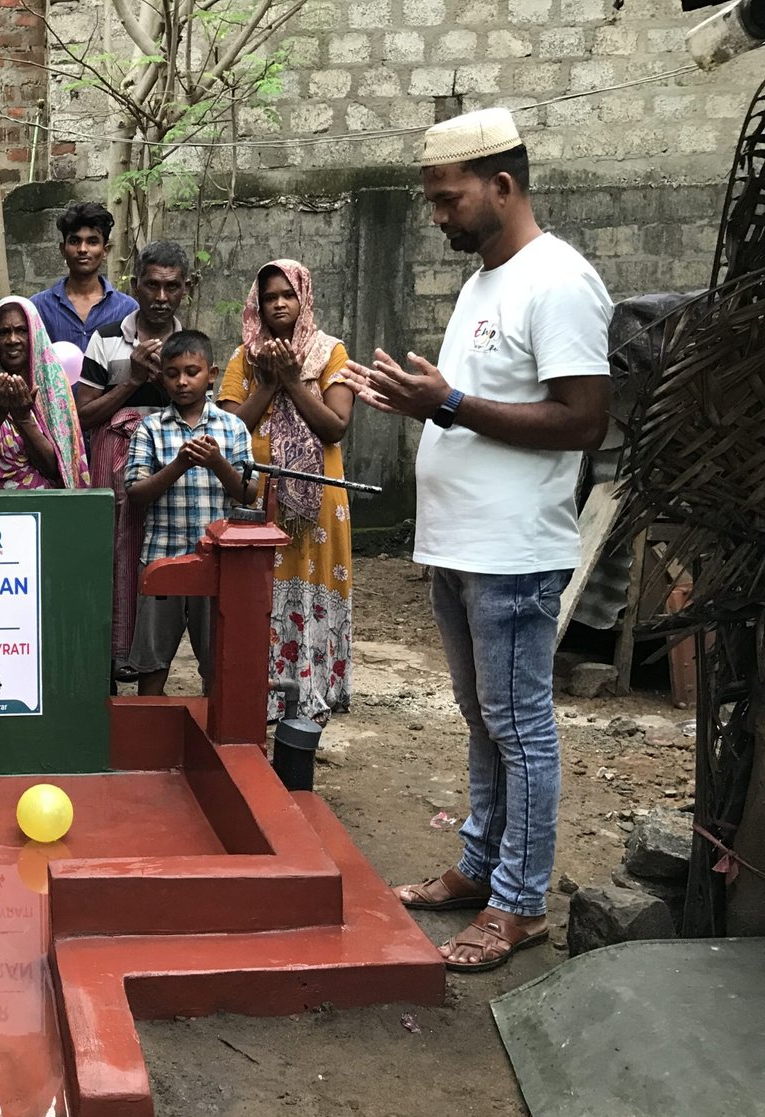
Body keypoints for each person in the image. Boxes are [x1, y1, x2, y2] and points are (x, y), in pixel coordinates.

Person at [341, 108, 611, 972]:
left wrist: (449, 404)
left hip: (513, 556)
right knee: (483, 721)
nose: (437, 217)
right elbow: (472, 407)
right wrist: (420, 401)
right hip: (458, 551)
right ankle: (480, 866)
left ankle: (520, 904)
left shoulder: (558, 281)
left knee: (520, 729)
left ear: (501, 185)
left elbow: (583, 421)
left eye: (448, 199)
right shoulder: (483, 283)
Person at [217, 260, 356, 725]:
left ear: (304, 298)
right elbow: (231, 429)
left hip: (319, 503)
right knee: (260, 591)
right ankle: (260, 696)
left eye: (287, 295)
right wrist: (269, 383)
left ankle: (313, 693)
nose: (278, 304)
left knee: (311, 584)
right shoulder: (244, 358)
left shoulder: (330, 352)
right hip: (256, 496)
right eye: (269, 297)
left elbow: (334, 427)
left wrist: (293, 382)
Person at [74, 240, 192, 682]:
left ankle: (149, 675)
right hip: (110, 467)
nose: (161, 297)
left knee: (157, 564)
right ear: (135, 285)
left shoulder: (190, 346)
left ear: (185, 289)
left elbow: (196, 414)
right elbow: (83, 416)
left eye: (171, 287)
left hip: (169, 470)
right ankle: (106, 669)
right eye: (152, 285)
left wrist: (164, 380)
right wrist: (132, 381)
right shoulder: (105, 339)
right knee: (112, 562)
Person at [124, 330, 258, 695]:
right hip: (162, 558)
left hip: (217, 563)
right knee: (153, 662)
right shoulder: (150, 428)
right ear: (161, 377)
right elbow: (135, 493)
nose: (182, 381)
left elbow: (248, 493)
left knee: (218, 660)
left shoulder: (233, 427)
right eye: (172, 374)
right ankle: (151, 725)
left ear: (211, 375)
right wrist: (178, 465)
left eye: (191, 371)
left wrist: (217, 462)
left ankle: (213, 726)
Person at [0, 296, 90, 490]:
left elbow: (56, 469)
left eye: (21, 331)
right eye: (3, 332)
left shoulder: (54, 388)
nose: (12, 340)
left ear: (34, 335)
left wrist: (24, 419)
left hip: (42, 501)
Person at [29, 201, 137, 351]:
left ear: (105, 251)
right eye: (75, 241)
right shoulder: (39, 307)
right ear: (63, 249)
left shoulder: (126, 309)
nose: (82, 249)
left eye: (92, 242)